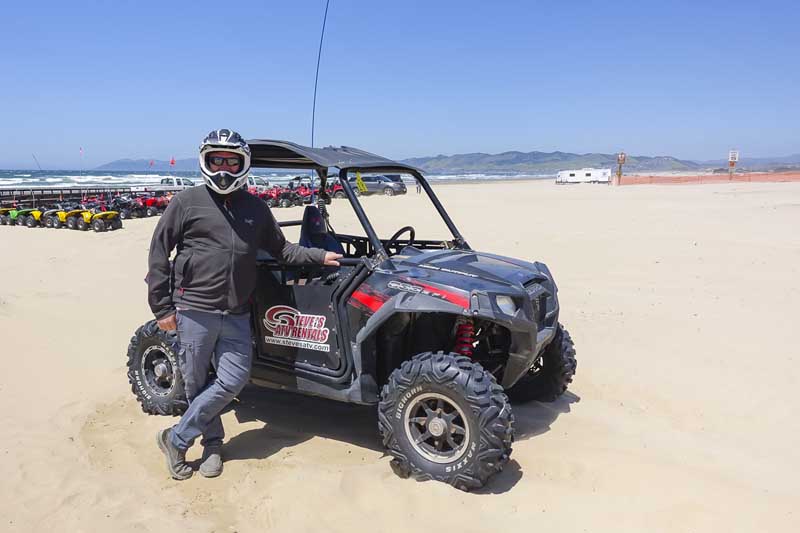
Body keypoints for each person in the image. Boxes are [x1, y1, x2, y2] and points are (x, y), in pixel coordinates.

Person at [147, 129, 341, 480]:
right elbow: (159, 253)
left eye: (230, 160)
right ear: (206, 161)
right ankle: (212, 445)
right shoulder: (186, 202)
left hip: (237, 312)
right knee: (195, 384)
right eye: (216, 159)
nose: (223, 166)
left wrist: (319, 254)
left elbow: (283, 250)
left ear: (242, 164)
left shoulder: (256, 208)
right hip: (194, 310)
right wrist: (161, 308)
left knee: (232, 380)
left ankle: (175, 439)